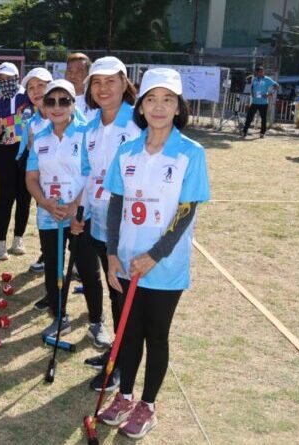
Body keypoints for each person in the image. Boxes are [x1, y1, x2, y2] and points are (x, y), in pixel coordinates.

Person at [98, 68, 210, 440]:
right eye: (151, 99)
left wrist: (155, 255)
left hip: (165, 266)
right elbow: (116, 204)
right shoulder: (127, 150)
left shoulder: (191, 153)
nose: (159, 107)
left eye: (167, 100)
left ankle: (147, 405)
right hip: (126, 262)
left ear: (178, 107)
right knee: (127, 332)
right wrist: (112, 254)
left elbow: (186, 210)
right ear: (141, 107)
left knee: (155, 334)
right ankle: (125, 396)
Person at [23, 79, 102, 349]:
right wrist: (45, 203)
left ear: (73, 104)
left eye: (64, 101)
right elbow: (31, 177)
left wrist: (74, 208)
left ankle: (96, 322)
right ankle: (59, 316)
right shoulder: (40, 137)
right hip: (49, 215)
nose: (57, 107)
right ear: (44, 106)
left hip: (80, 214)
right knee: (53, 269)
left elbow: (92, 175)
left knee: (88, 269)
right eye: (51, 101)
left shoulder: (86, 133)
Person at [81, 56, 142, 392]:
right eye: (97, 82)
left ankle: (121, 364)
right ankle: (116, 353)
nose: (103, 88)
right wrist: (81, 211)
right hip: (99, 222)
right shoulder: (91, 126)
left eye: (110, 81)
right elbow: (90, 174)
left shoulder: (136, 124)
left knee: (123, 297)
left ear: (124, 84)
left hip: (127, 226)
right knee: (114, 290)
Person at [0, 62, 32, 260]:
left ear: (17, 78)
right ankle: (0, 243)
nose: (5, 82)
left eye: (8, 79)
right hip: (6, 154)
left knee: (24, 198)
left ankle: (18, 239)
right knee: (5, 199)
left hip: (27, 154)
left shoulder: (28, 98)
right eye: (1, 80)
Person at [14, 67, 53, 276]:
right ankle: (46, 255)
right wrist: (28, 150)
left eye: (41, 85)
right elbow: (22, 158)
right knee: (45, 220)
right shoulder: (31, 123)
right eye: (31, 87)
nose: (36, 91)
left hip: (69, 184)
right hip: (42, 185)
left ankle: (75, 261)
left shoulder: (67, 115)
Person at [242, 65, 279, 138]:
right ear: (257, 72)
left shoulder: (267, 79)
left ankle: (262, 133)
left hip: (263, 103)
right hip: (254, 102)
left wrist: (269, 94)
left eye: (262, 72)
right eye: (260, 72)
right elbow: (252, 87)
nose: (262, 73)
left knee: (263, 118)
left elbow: (277, 86)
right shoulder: (254, 79)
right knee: (249, 117)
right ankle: (244, 132)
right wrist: (252, 93)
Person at [64, 52, 97, 122]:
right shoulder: (52, 101)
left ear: (88, 76)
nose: (72, 76)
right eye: (69, 71)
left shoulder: (96, 102)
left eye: (79, 72)